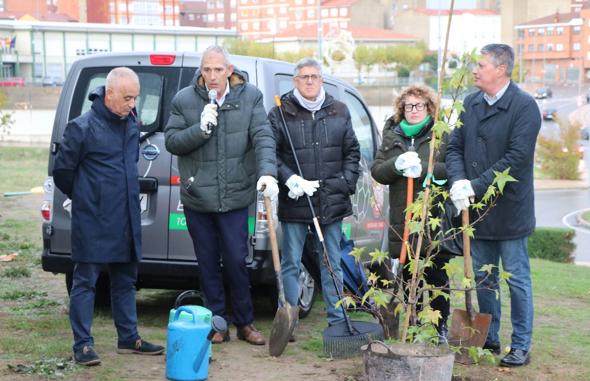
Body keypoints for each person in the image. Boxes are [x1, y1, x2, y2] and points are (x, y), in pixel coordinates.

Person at [164, 45, 278, 345]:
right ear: (201, 71)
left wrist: (267, 171)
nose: (212, 76)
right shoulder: (184, 99)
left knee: (236, 261)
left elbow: (263, 135)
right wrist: (200, 129)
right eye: (206, 69)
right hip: (197, 196)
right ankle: (218, 324)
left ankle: (245, 322)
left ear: (229, 70)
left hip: (235, 195)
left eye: (217, 69)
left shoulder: (249, 96)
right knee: (207, 263)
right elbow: (172, 142)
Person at [53, 67, 164, 366]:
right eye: (127, 98)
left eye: (136, 98)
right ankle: (83, 345)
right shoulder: (82, 127)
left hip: (127, 215)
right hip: (93, 218)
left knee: (126, 280)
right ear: (109, 93)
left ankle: (129, 338)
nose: (132, 104)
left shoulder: (130, 122)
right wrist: (88, 197)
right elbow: (62, 171)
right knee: (85, 281)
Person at [446, 43, 540, 367]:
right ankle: (489, 338)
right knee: (485, 279)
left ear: (500, 70)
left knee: (516, 280)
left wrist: (472, 185)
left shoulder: (525, 107)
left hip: (510, 210)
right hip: (476, 211)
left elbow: (516, 159)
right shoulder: (470, 103)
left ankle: (520, 346)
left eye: (481, 65)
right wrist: (458, 181)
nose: (475, 70)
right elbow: (454, 146)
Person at [268, 58, 360, 332]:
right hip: (295, 199)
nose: (310, 81)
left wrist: (345, 182)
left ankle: (337, 321)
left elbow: (352, 152)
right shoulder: (280, 112)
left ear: (322, 80)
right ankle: (288, 322)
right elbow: (269, 153)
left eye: (315, 76)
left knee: (332, 262)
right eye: (304, 76)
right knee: (291, 263)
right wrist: (290, 179)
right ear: (295, 81)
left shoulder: (339, 110)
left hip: (331, 199)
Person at [370, 84, 451, 339]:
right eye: (408, 106)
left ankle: (440, 329)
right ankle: (413, 326)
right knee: (406, 275)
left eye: (419, 105)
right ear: (401, 108)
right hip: (401, 217)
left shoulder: (440, 133)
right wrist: (397, 164)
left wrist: (428, 172)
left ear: (429, 108)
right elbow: (377, 171)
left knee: (436, 276)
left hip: (432, 217)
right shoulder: (392, 133)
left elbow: (450, 169)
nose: (413, 110)